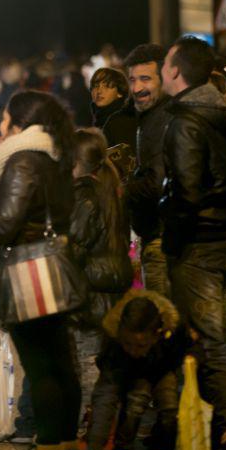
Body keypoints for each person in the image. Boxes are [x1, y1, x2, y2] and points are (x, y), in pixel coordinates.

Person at [0, 91, 78, 450]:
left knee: (41, 367)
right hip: (53, 267)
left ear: (22, 125)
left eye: (6, 121)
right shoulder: (54, 157)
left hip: (29, 272)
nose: (1, 129)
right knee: (61, 364)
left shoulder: (22, 161)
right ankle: (64, 446)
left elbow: (2, 224)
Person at [159, 36, 226, 450]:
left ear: (176, 72)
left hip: (200, 242)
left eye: (163, 65)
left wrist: (167, 220)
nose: (161, 72)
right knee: (223, 338)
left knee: (213, 343)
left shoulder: (187, 121)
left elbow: (187, 191)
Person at [70, 290, 188, 450]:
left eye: (140, 345)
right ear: (120, 334)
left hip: (163, 367)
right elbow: (105, 396)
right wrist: (94, 448)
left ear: (157, 335)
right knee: (134, 403)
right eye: (128, 343)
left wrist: (193, 359)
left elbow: (188, 350)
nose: (133, 350)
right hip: (132, 371)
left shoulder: (173, 332)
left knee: (170, 406)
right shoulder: (114, 344)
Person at [68, 128, 133, 434]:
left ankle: (86, 429)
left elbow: (74, 247)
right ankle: (101, 427)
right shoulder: (109, 188)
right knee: (98, 359)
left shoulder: (85, 195)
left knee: (85, 361)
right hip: (109, 287)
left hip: (89, 290)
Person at [123, 43, 173, 297]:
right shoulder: (149, 115)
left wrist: (120, 189)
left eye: (145, 79)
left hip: (162, 238)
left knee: (163, 324)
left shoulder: (163, 118)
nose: (137, 88)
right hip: (156, 235)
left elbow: (157, 182)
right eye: (132, 80)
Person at [89, 67, 137, 156]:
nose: (99, 91)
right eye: (96, 86)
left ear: (120, 93)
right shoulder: (98, 119)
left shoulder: (122, 121)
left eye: (107, 86)